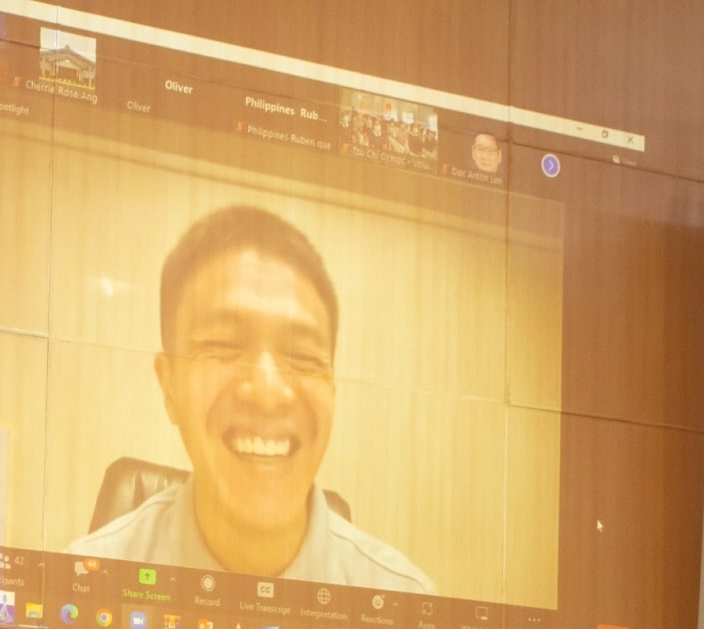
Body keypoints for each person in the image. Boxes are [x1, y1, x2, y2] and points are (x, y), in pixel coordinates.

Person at [68, 204, 434, 592]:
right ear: (169, 385)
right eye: (223, 346)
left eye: (305, 358)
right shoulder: (86, 586)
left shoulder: (403, 602)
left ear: (332, 387)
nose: (267, 391)